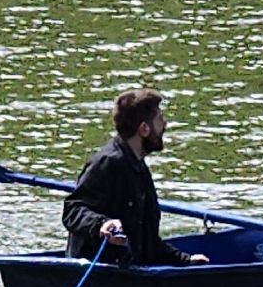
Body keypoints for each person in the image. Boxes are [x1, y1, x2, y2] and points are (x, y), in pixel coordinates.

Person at [63, 89, 209, 266]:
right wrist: (102, 224)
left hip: (130, 270)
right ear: (144, 129)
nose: (165, 124)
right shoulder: (107, 163)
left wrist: (186, 261)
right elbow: (73, 209)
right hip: (99, 275)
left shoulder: (139, 167)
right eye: (160, 119)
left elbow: (148, 242)